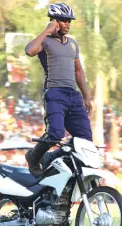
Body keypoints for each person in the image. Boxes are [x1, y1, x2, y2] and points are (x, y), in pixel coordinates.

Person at [25, 3, 92, 177]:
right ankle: (33, 157)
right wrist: (47, 31)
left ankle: (52, 158)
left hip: (74, 96)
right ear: (54, 21)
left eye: (69, 21)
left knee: (85, 142)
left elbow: (78, 71)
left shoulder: (73, 44)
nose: (67, 24)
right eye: (63, 21)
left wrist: (86, 97)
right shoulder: (45, 41)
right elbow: (30, 51)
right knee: (55, 134)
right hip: (54, 93)